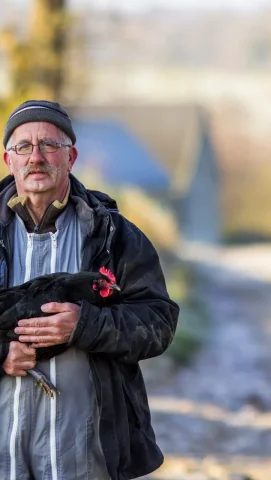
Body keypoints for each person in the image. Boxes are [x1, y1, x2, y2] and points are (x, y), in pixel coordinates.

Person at [0, 100, 180, 480]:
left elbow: (158, 323)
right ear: (7, 159)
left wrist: (86, 325)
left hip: (84, 454)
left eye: (50, 145)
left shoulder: (114, 236)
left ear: (71, 157)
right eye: (23, 147)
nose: (36, 157)